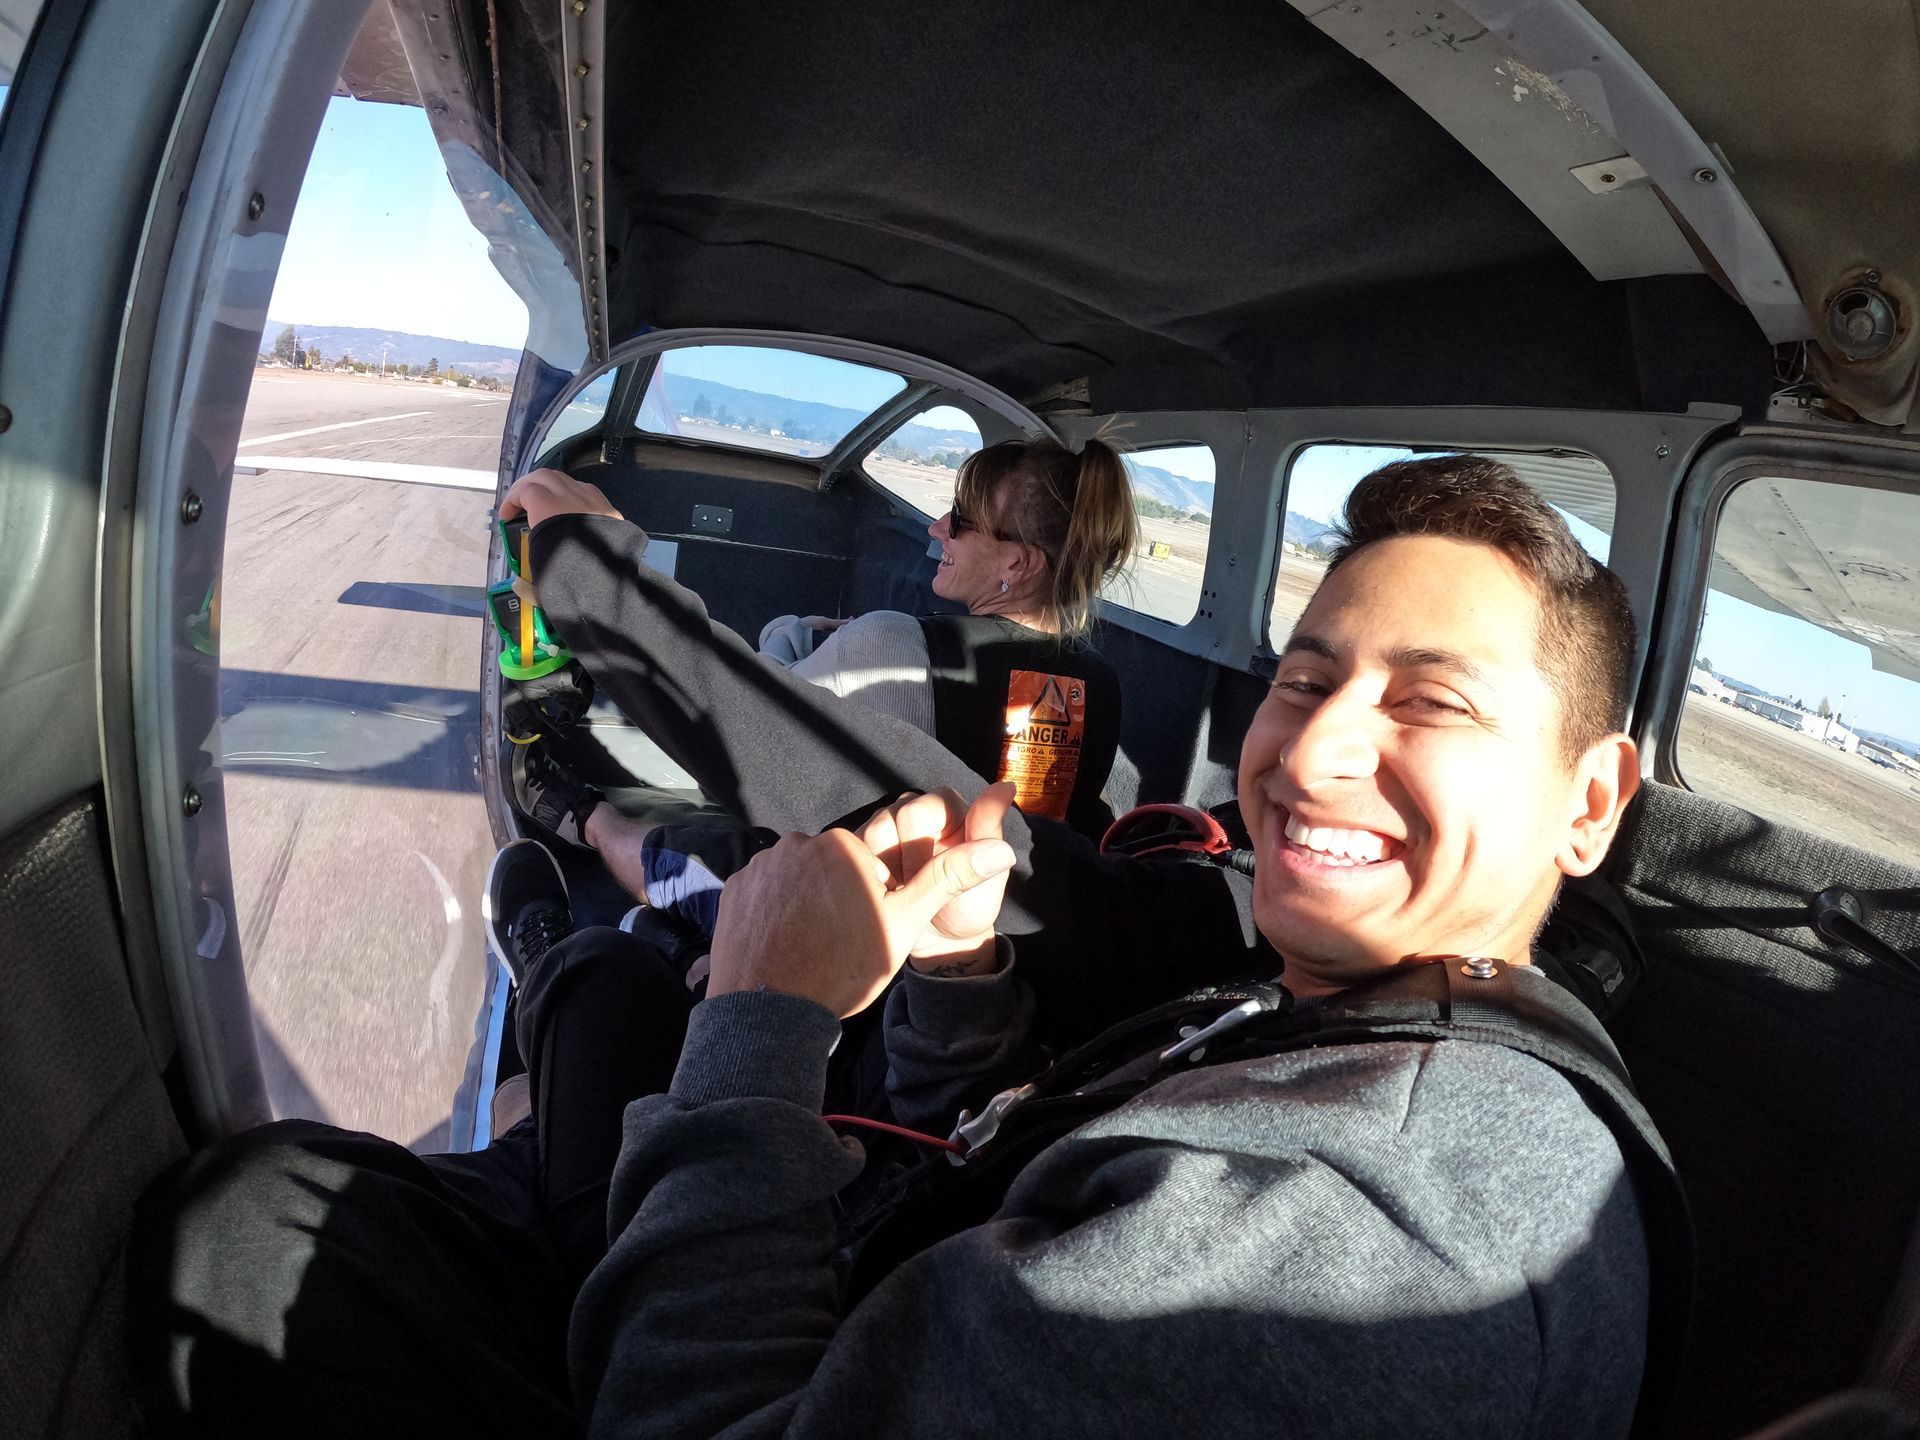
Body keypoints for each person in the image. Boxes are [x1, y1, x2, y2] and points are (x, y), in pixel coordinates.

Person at [130, 457, 1659, 1438]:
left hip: (740, 1340)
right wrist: (962, 973)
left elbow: (812, 764)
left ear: (1590, 801)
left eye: (1431, 701)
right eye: (1305, 677)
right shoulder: (1333, 999)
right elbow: (1013, 1114)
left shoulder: (1378, 1235)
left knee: (263, 1222)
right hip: (851, 1255)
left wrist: (762, 1030)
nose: (1314, 751)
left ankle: (550, 942)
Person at [510, 435, 1141, 861]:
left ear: (1018, 564)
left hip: (854, 890)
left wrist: (789, 631)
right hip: (992, 923)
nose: (936, 527)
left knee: (695, 855)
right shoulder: (1105, 689)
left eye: (962, 517)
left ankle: (590, 822)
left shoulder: (892, 643)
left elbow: (756, 720)